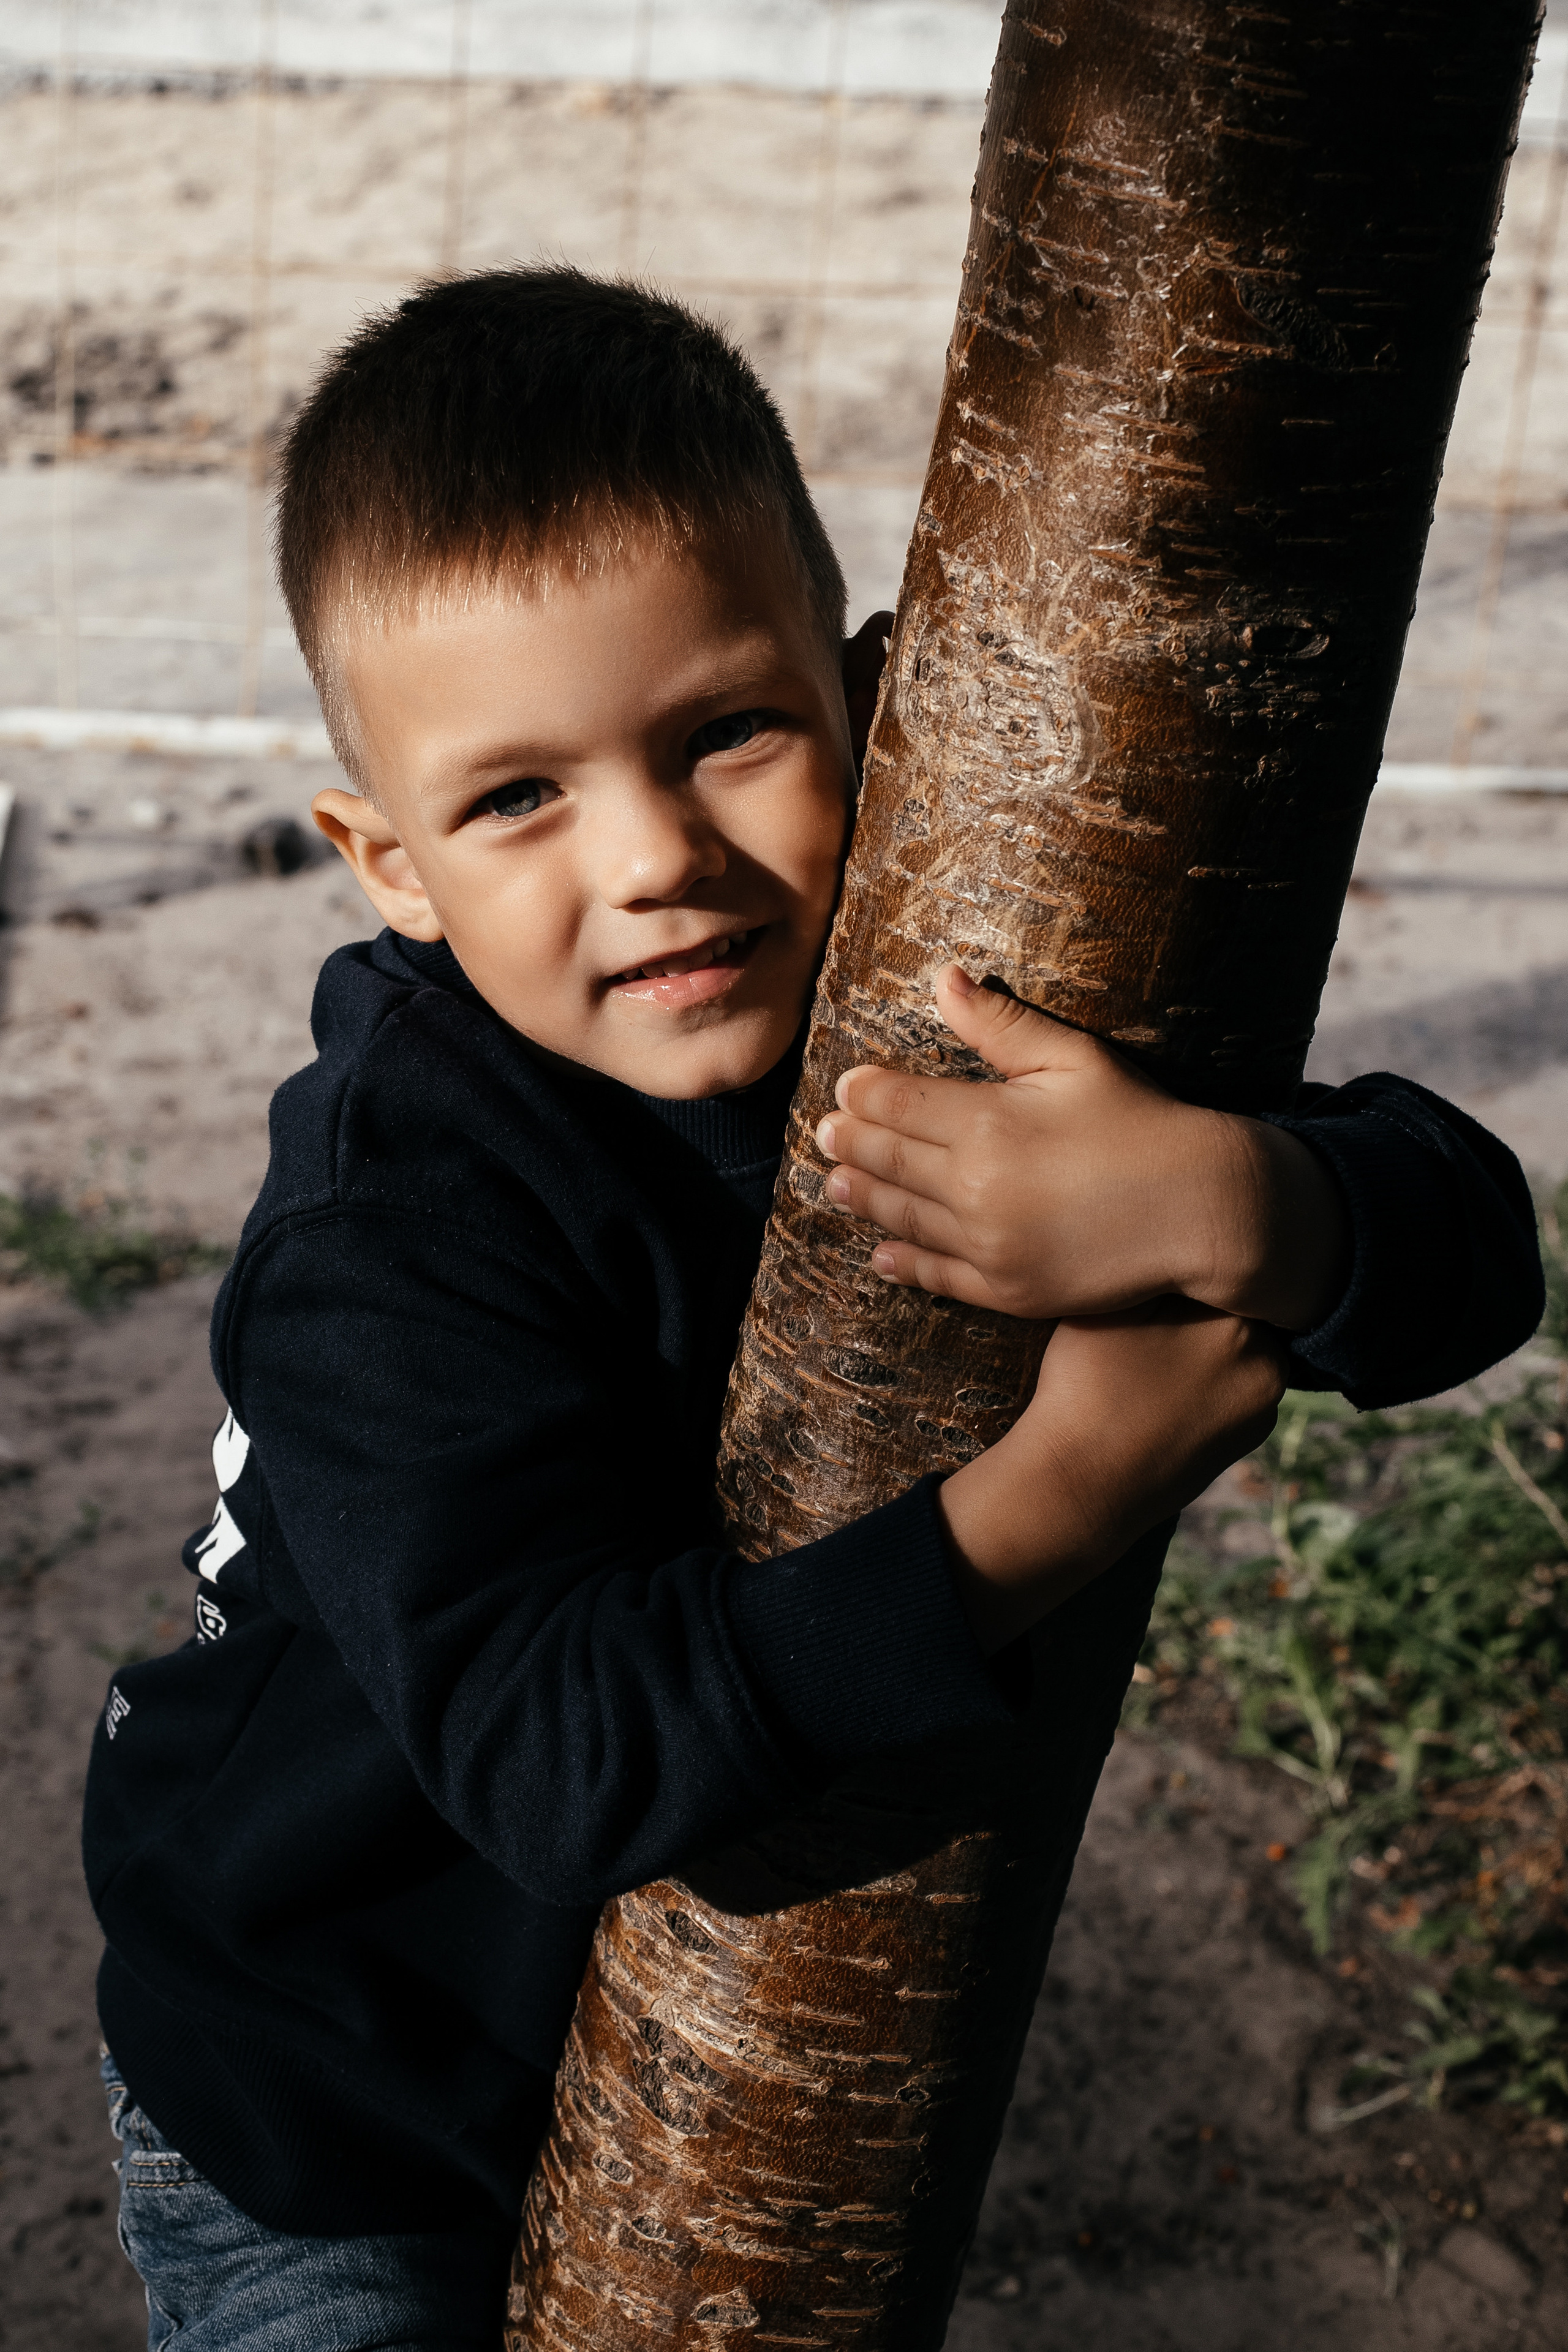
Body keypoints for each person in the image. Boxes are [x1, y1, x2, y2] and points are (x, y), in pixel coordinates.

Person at [84, 268, 1543, 2351]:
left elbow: (1476, 1257)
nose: (654, 858)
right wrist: (1054, 1498)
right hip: (331, 2095)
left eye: (726, 735)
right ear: (387, 862)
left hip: (677, 2075)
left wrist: (1241, 1199)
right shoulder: (387, 1230)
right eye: (517, 798)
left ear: (877, 697)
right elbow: (557, 1757)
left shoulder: (926, 996)